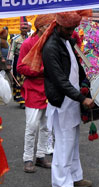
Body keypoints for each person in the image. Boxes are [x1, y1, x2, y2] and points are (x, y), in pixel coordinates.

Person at [22, 11, 95, 187]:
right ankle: (61, 186)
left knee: (73, 142)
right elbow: (60, 80)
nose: (72, 31)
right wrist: (81, 98)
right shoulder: (51, 46)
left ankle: (74, 176)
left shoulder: (66, 40)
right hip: (62, 101)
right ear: (59, 25)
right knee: (63, 143)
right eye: (68, 28)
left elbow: (76, 67)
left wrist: (85, 83)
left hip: (72, 99)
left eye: (73, 28)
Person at [17, 14, 56, 173]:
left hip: (49, 90)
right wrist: (42, 71)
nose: (51, 28)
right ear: (40, 27)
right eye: (48, 26)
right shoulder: (28, 44)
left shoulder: (52, 42)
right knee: (32, 126)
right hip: (33, 89)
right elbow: (20, 67)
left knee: (46, 126)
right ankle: (28, 159)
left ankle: (40, 157)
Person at [7, 22, 30, 109]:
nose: (24, 30)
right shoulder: (15, 39)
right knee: (19, 80)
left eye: (26, 28)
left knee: (27, 80)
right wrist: (9, 63)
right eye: (23, 28)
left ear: (28, 29)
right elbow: (11, 51)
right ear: (20, 29)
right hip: (18, 60)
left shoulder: (31, 38)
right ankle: (21, 100)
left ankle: (28, 98)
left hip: (28, 61)